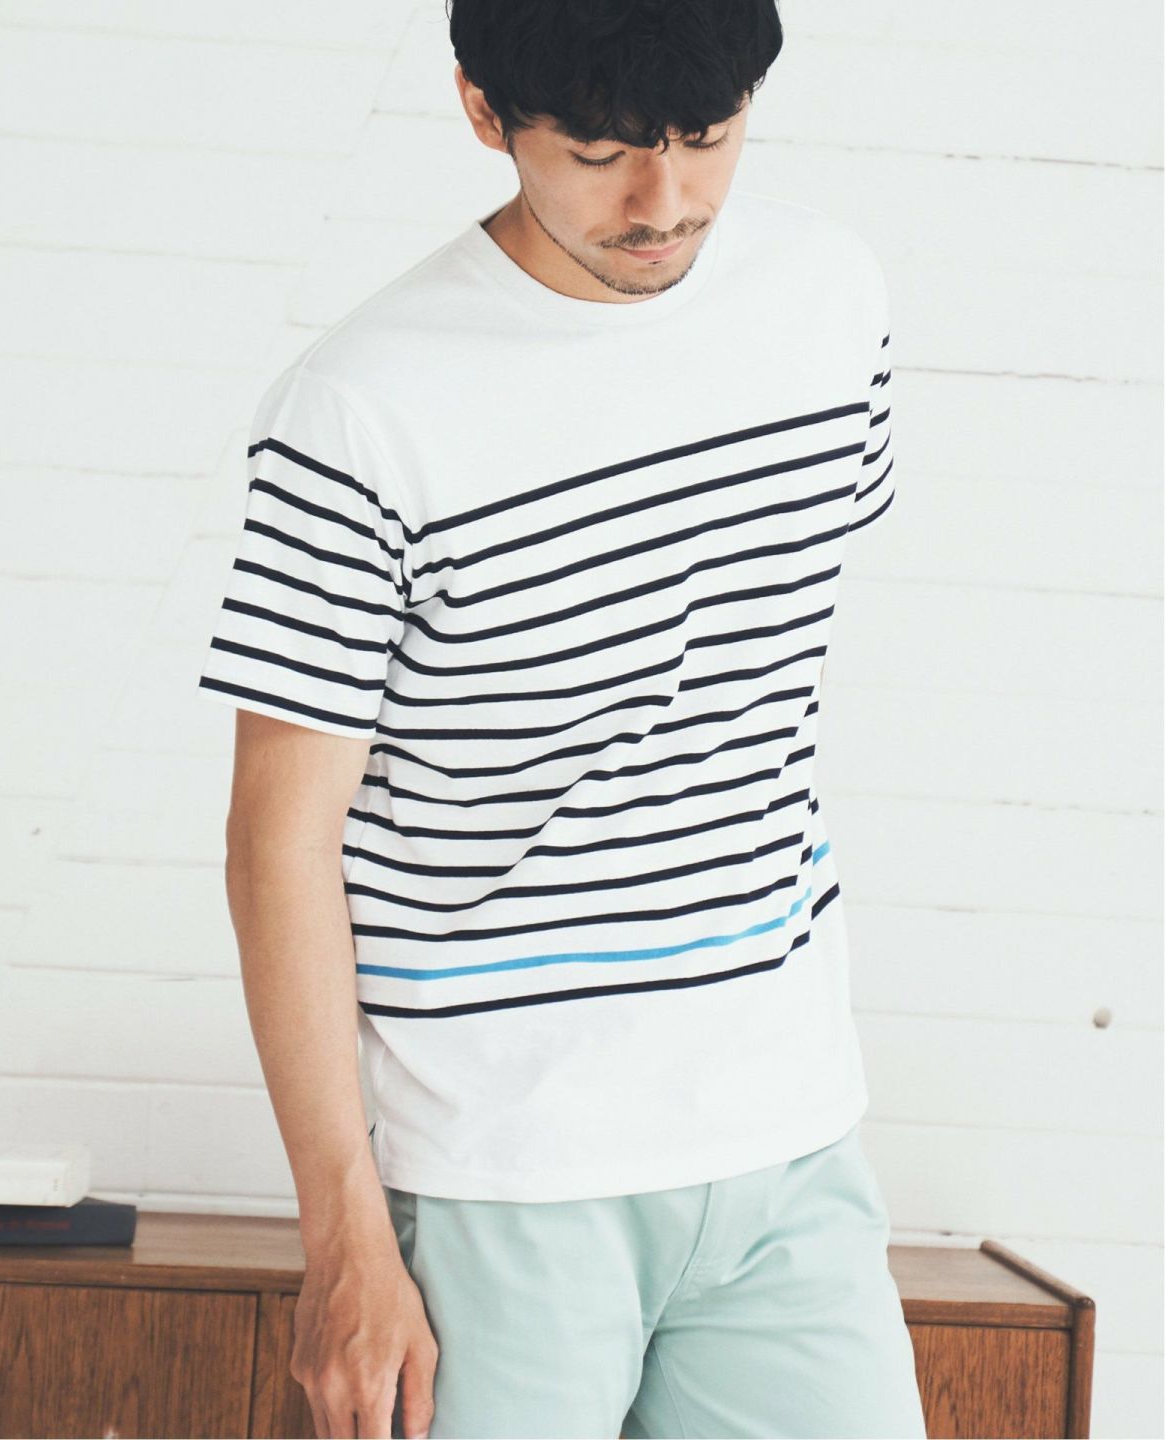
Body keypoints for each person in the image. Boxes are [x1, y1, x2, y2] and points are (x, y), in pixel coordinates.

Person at [197, 1, 926, 1436]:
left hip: (790, 1142)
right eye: (599, 155)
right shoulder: (362, 410)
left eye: (708, 138)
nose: (664, 202)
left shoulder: (832, 303)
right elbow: (278, 843)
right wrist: (344, 1240)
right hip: (501, 1178)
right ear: (485, 110)